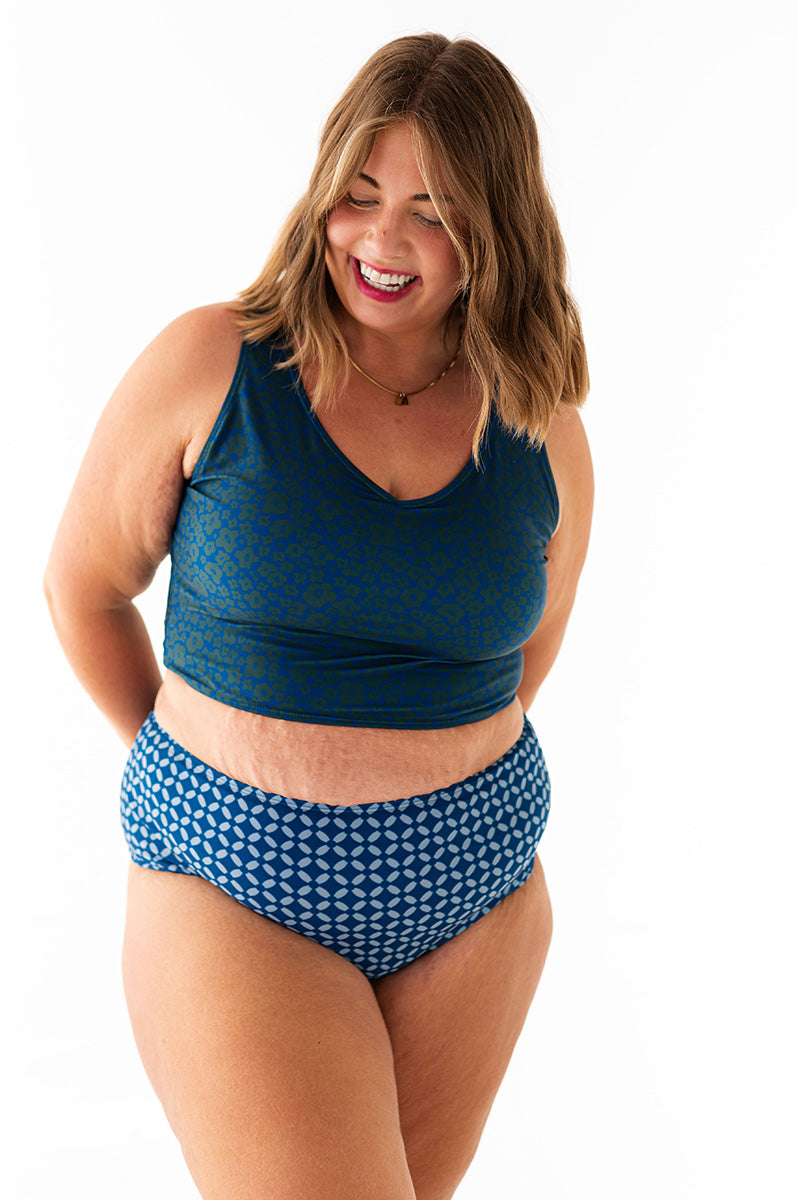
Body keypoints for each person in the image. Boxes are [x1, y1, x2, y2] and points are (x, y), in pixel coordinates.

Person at [44, 31, 593, 1200]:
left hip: (476, 898)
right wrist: (206, 772)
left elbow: (525, 657)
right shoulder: (214, 364)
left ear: (497, 227)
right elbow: (83, 588)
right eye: (360, 193)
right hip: (231, 882)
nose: (382, 240)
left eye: (433, 212)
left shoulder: (541, 423)